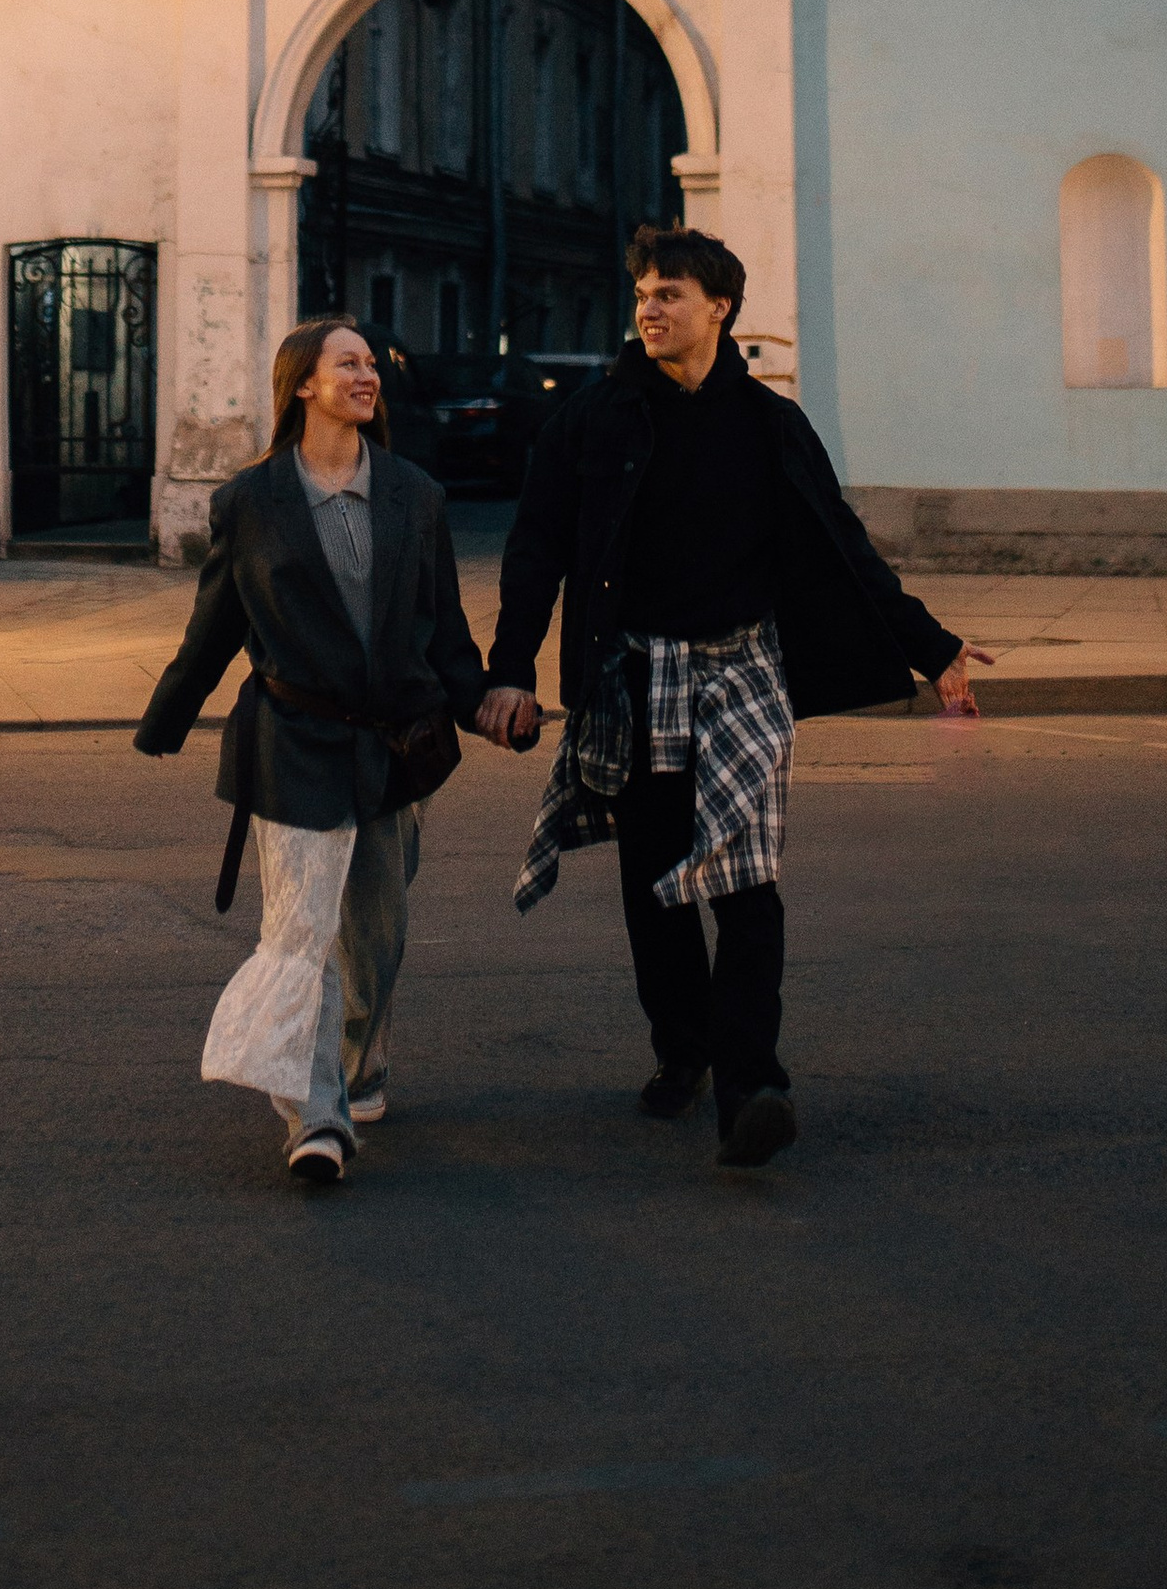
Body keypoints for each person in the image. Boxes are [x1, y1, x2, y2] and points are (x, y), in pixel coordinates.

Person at [474, 224, 988, 1172]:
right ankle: (684, 1048)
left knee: (747, 880)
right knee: (655, 886)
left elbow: (844, 543)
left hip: (743, 671)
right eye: (642, 293)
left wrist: (932, 645)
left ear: (721, 308)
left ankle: (754, 1082)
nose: (650, 308)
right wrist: (508, 671)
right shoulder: (594, 419)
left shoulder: (770, 425)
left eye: (670, 292)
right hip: (633, 675)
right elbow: (536, 550)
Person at [135, 317, 494, 1188]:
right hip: (293, 741)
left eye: (372, 364)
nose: (368, 375)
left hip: (394, 743)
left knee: (375, 935)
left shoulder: (415, 494)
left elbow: (442, 630)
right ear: (303, 383)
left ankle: (361, 1063)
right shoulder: (251, 500)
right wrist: (168, 716)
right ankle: (316, 1115)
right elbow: (217, 623)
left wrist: (485, 701)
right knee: (302, 929)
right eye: (349, 363)